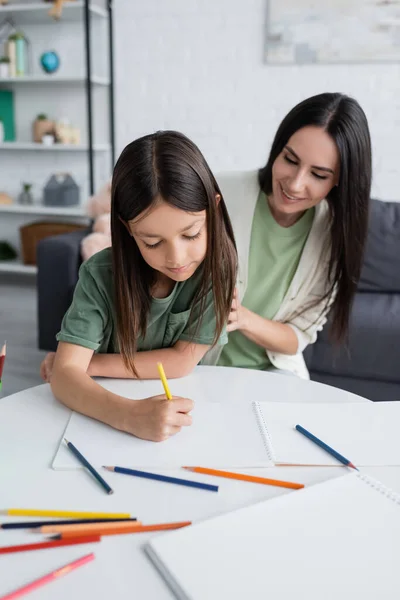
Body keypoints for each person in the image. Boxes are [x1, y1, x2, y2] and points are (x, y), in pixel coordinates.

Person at [45, 131, 237, 441]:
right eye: (152, 242)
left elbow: (183, 360)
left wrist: (89, 364)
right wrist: (128, 415)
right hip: (99, 418)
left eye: (190, 235)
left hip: (188, 416)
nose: (176, 258)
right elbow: (62, 377)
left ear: (214, 209)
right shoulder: (100, 275)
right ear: (128, 230)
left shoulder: (219, 269)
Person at [214, 93, 372, 378]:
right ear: (278, 149)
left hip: (273, 373)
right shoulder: (219, 193)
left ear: (339, 181)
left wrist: (243, 318)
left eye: (319, 175)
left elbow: (297, 338)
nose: (296, 184)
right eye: (290, 159)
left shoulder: (335, 235)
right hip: (197, 366)